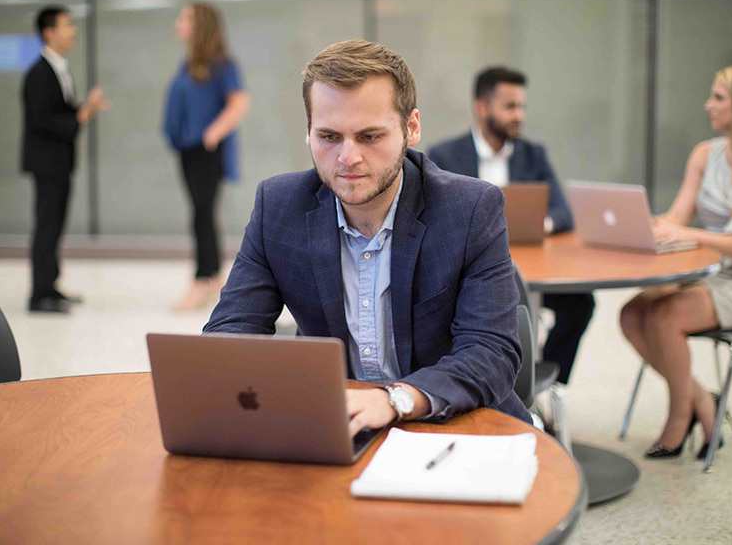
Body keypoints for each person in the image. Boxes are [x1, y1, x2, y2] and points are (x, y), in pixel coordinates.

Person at [203, 40, 532, 434]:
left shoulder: (471, 209)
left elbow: (490, 353)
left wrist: (394, 399)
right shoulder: (278, 207)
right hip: (340, 424)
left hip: (455, 421)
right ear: (308, 133)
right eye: (329, 137)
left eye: (370, 137)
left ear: (411, 127)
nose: (347, 158)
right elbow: (230, 335)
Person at [620, 63, 732, 459]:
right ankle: (704, 401)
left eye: (718, 97)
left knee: (666, 316)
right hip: (712, 272)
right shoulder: (705, 154)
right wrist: (643, 223)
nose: (708, 105)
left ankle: (677, 418)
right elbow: (677, 218)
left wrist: (691, 236)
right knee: (632, 315)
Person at [428, 67, 594, 385]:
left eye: (522, 107)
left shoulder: (533, 154)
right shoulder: (445, 156)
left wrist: (538, 224)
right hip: (471, 271)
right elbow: (435, 217)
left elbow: (562, 213)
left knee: (580, 303)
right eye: (510, 107)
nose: (519, 115)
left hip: (533, 265)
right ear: (482, 108)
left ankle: (550, 382)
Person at [22, 6, 111, 313]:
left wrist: (84, 108)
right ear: (49, 32)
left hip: (59, 162)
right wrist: (84, 113)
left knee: (55, 226)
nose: (72, 31)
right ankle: (39, 294)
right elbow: (43, 120)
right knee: (47, 226)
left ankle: (50, 285)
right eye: (66, 25)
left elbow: (62, 110)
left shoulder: (60, 68)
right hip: (46, 163)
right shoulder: (39, 73)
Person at [164, 3, 250, 312]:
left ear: (200, 25)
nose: (178, 23)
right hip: (188, 150)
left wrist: (211, 134)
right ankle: (211, 277)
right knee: (201, 215)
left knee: (202, 215)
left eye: (184, 17)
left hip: (205, 153)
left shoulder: (222, 64)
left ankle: (204, 279)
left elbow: (239, 103)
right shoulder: (188, 64)